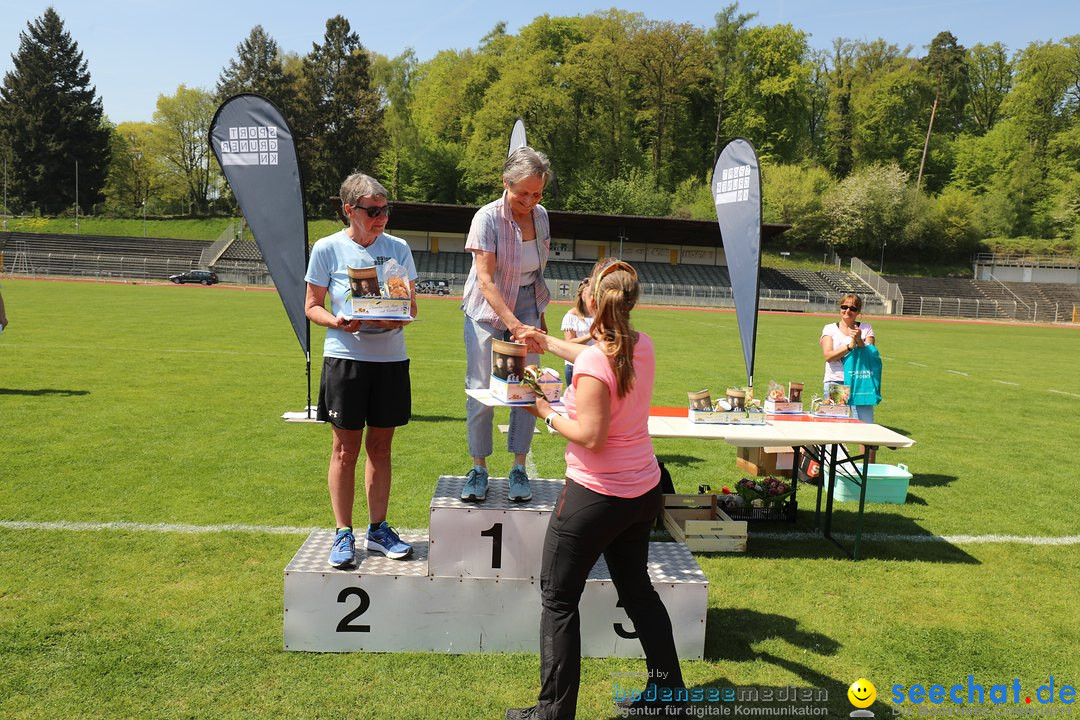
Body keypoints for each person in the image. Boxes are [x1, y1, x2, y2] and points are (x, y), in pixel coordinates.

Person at [506, 259, 687, 720]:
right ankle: (669, 698)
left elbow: (590, 436)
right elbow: (599, 354)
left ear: (591, 299)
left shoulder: (595, 359)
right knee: (638, 592)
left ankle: (553, 712)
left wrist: (542, 409)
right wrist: (544, 341)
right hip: (641, 492)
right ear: (632, 301)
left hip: (596, 496)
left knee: (559, 599)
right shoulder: (641, 345)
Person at [305, 172, 417, 568]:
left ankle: (379, 528)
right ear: (349, 210)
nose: (381, 216)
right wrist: (336, 321)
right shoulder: (327, 248)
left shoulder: (399, 248)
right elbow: (312, 305)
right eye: (372, 210)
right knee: (344, 450)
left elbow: (411, 308)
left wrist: (395, 319)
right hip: (346, 358)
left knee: (381, 447)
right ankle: (342, 533)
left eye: (385, 209)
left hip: (390, 360)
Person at [461, 146, 553, 503]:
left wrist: (536, 317)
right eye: (522, 193)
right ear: (505, 182)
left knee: (528, 389)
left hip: (529, 304)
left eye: (537, 193)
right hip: (486, 309)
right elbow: (486, 280)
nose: (530, 201)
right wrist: (514, 324)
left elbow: (536, 271)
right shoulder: (486, 218)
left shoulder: (542, 215)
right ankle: (479, 468)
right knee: (481, 390)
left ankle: (518, 467)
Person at [820, 293, 876, 423]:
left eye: (853, 308)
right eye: (844, 307)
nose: (847, 311)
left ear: (858, 312)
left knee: (865, 427)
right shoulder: (830, 329)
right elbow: (828, 356)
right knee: (834, 427)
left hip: (860, 383)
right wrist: (849, 347)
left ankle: (866, 445)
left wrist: (859, 340)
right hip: (836, 382)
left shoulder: (866, 328)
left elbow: (870, 355)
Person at [559, 278, 594, 387]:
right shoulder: (571, 316)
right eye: (587, 293)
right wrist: (591, 335)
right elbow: (569, 343)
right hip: (575, 364)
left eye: (593, 294)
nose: (591, 297)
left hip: (595, 363)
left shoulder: (599, 314)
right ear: (581, 295)